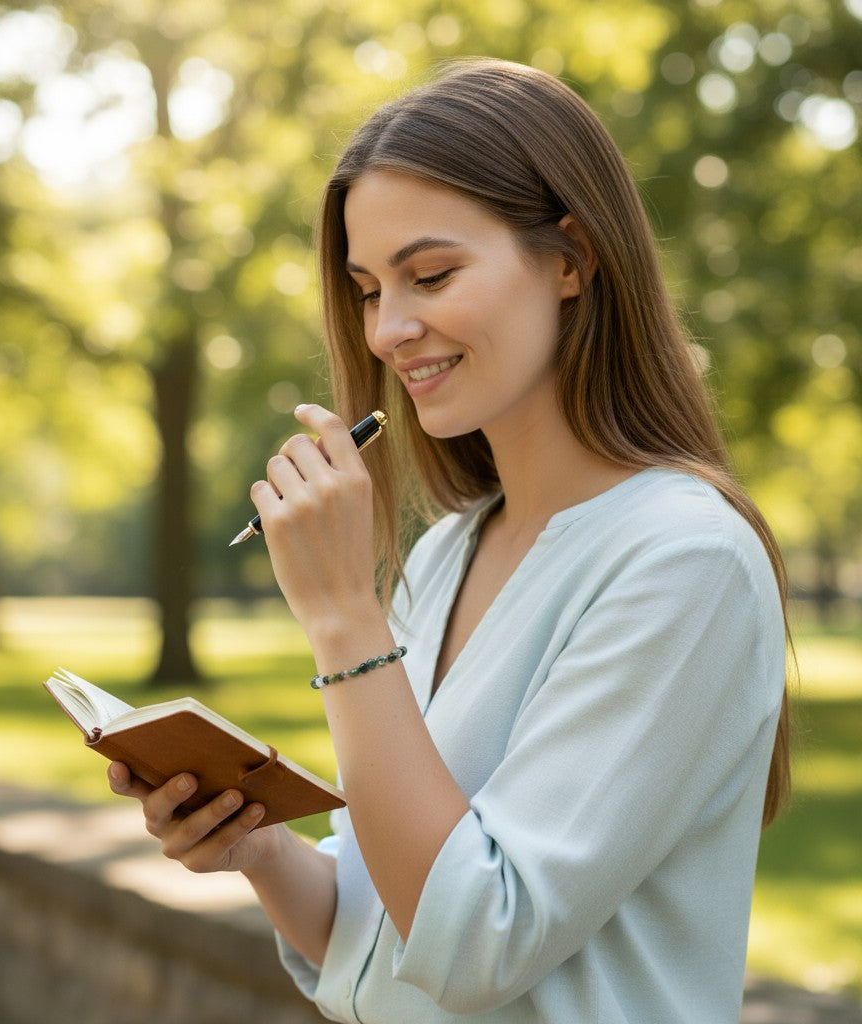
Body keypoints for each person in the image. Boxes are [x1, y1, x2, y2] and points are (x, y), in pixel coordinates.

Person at [108, 58, 792, 1023]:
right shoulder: (448, 552)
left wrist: (343, 616)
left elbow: (477, 945)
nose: (388, 329)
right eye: (367, 289)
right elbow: (388, 936)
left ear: (570, 259)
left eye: (430, 275)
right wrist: (257, 846)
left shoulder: (683, 561)